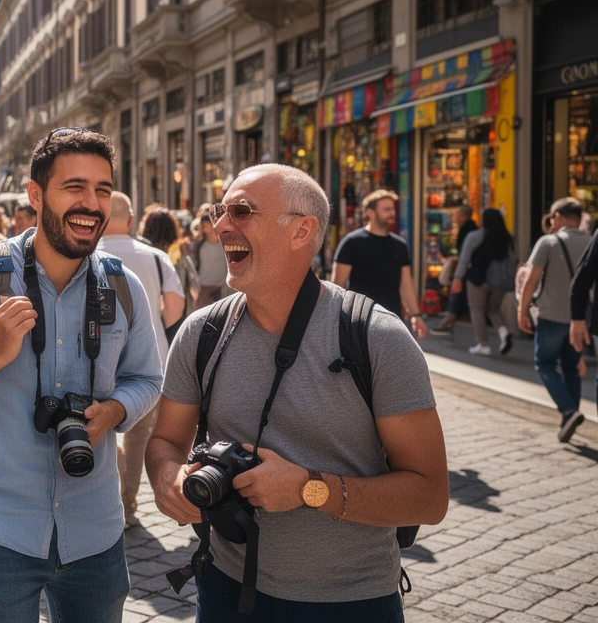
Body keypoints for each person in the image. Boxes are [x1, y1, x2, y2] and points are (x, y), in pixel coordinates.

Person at [146, 164, 449, 621]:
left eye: (242, 211)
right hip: (225, 588)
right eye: (220, 211)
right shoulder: (200, 332)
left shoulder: (377, 338)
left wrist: (310, 490)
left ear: (301, 231)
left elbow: (430, 496)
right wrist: (168, 479)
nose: (221, 225)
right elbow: (165, 441)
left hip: (351, 602)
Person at [0, 129, 161, 623]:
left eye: (103, 190)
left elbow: (149, 378)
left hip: (96, 533)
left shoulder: (123, 287)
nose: (91, 203)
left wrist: (115, 411)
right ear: (36, 194)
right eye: (75, 187)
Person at [98, 192, 183, 528]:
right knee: (139, 432)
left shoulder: (88, 254)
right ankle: (128, 499)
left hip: (98, 356)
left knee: (102, 426)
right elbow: (175, 308)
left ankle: (109, 495)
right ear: (131, 221)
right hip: (150, 357)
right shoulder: (157, 257)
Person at [517, 198, 590, 443]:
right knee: (571, 366)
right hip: (580, 319)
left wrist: (522, 310)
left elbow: (531, 279)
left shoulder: (548, 242)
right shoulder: (591, 241)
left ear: (557, 217)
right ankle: (570, 415)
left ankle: (569, 411)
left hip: (550, 316)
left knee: (545, 363)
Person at [332, 190, 427, 339]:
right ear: (371, 212)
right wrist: (336, 319)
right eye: (386, 209)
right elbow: (338, 285)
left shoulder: (400, 245)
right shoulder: (351, 242)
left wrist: (416, 314)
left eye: (393, 209)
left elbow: (406, 283)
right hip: (360, 320)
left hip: (393, 319)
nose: (392, 213)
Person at [452, 208, 515, 356]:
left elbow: (464, 259)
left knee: (477, 310)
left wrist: (457, 277)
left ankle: (483, 344)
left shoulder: (475, 236)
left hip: (478, 279)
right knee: (493, 308)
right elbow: (512, 260)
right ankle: (504, 332)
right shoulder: (508, 238)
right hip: (501, 281)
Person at [142, 207, 199, 318]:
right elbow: (194, 287)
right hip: (176, 313)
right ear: (173, 228)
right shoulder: (179, 253)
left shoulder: (143, 252)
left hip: (149, 312)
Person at [431, 205, 477, 334]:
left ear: (464, 216)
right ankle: (448, 321)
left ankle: (447, 322)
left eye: (457, 215)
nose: (454, 218)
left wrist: (458, 273)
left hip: (465, 269)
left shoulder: (467, 230)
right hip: (467, 269)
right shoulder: (469, 229)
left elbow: (465, 254)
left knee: (456, 294)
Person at [192, 207, 231, 307]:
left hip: (221, 287)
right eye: (202, 225)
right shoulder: (199, 244)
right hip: (203, 286)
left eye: (206, 224)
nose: (204, 227)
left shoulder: (224, 244)